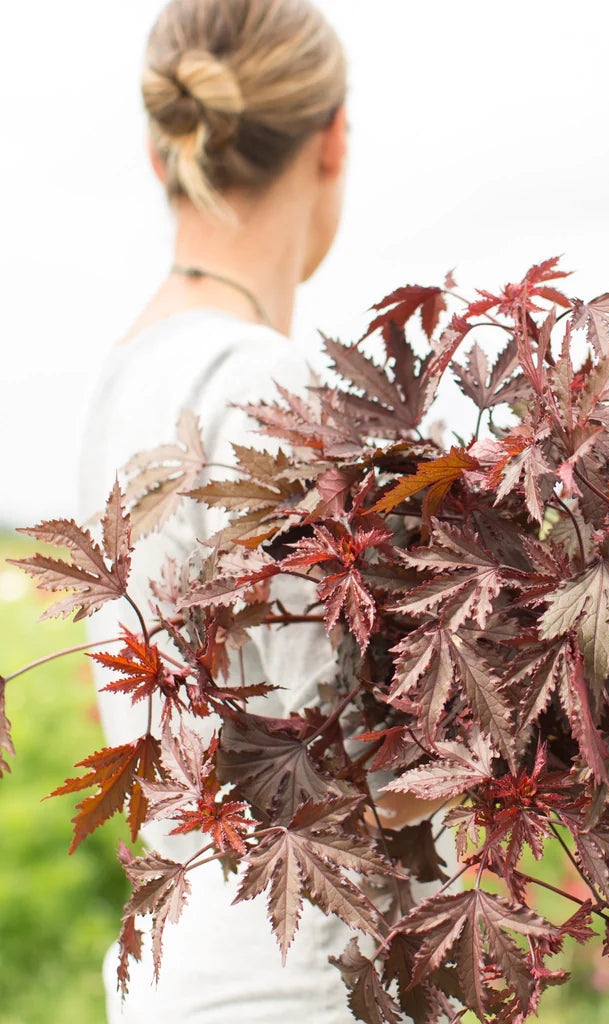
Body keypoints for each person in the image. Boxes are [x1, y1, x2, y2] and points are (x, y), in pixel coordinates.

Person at [80, 2, 431, 1020]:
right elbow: (370, 732)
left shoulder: (125, 377)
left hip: (183, 964)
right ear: (335, 141)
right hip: (306, 981)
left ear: (163, 154)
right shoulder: (261, 384)